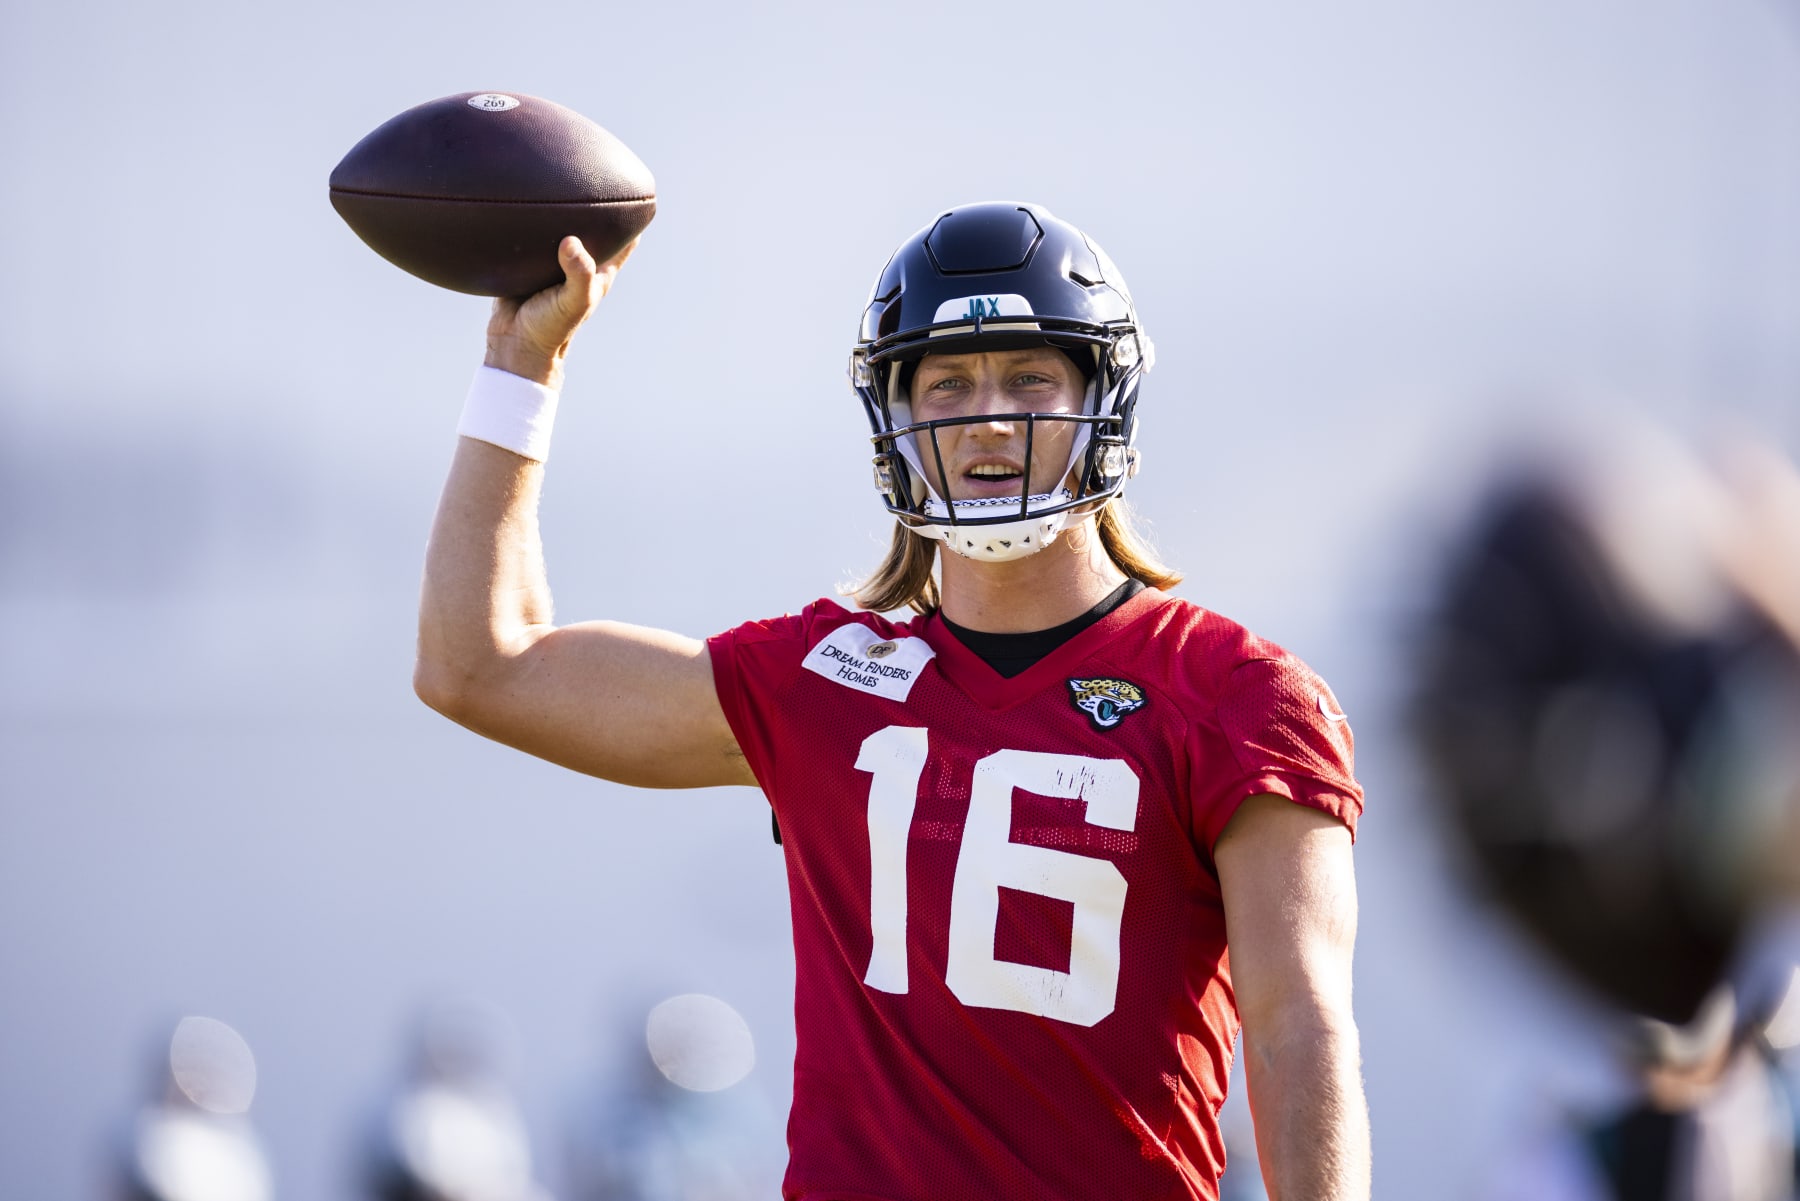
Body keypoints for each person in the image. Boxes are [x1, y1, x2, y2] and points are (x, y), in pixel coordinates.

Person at [414, 202, 1371, 1200]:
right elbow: (478, 664)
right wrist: (522, 367)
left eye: (1031, 374)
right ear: (898, 418)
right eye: (947, 381)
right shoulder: (825, 683)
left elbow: (1299, 1027)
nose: (989, 415)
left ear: (1103, 398)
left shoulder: (1240, 696)